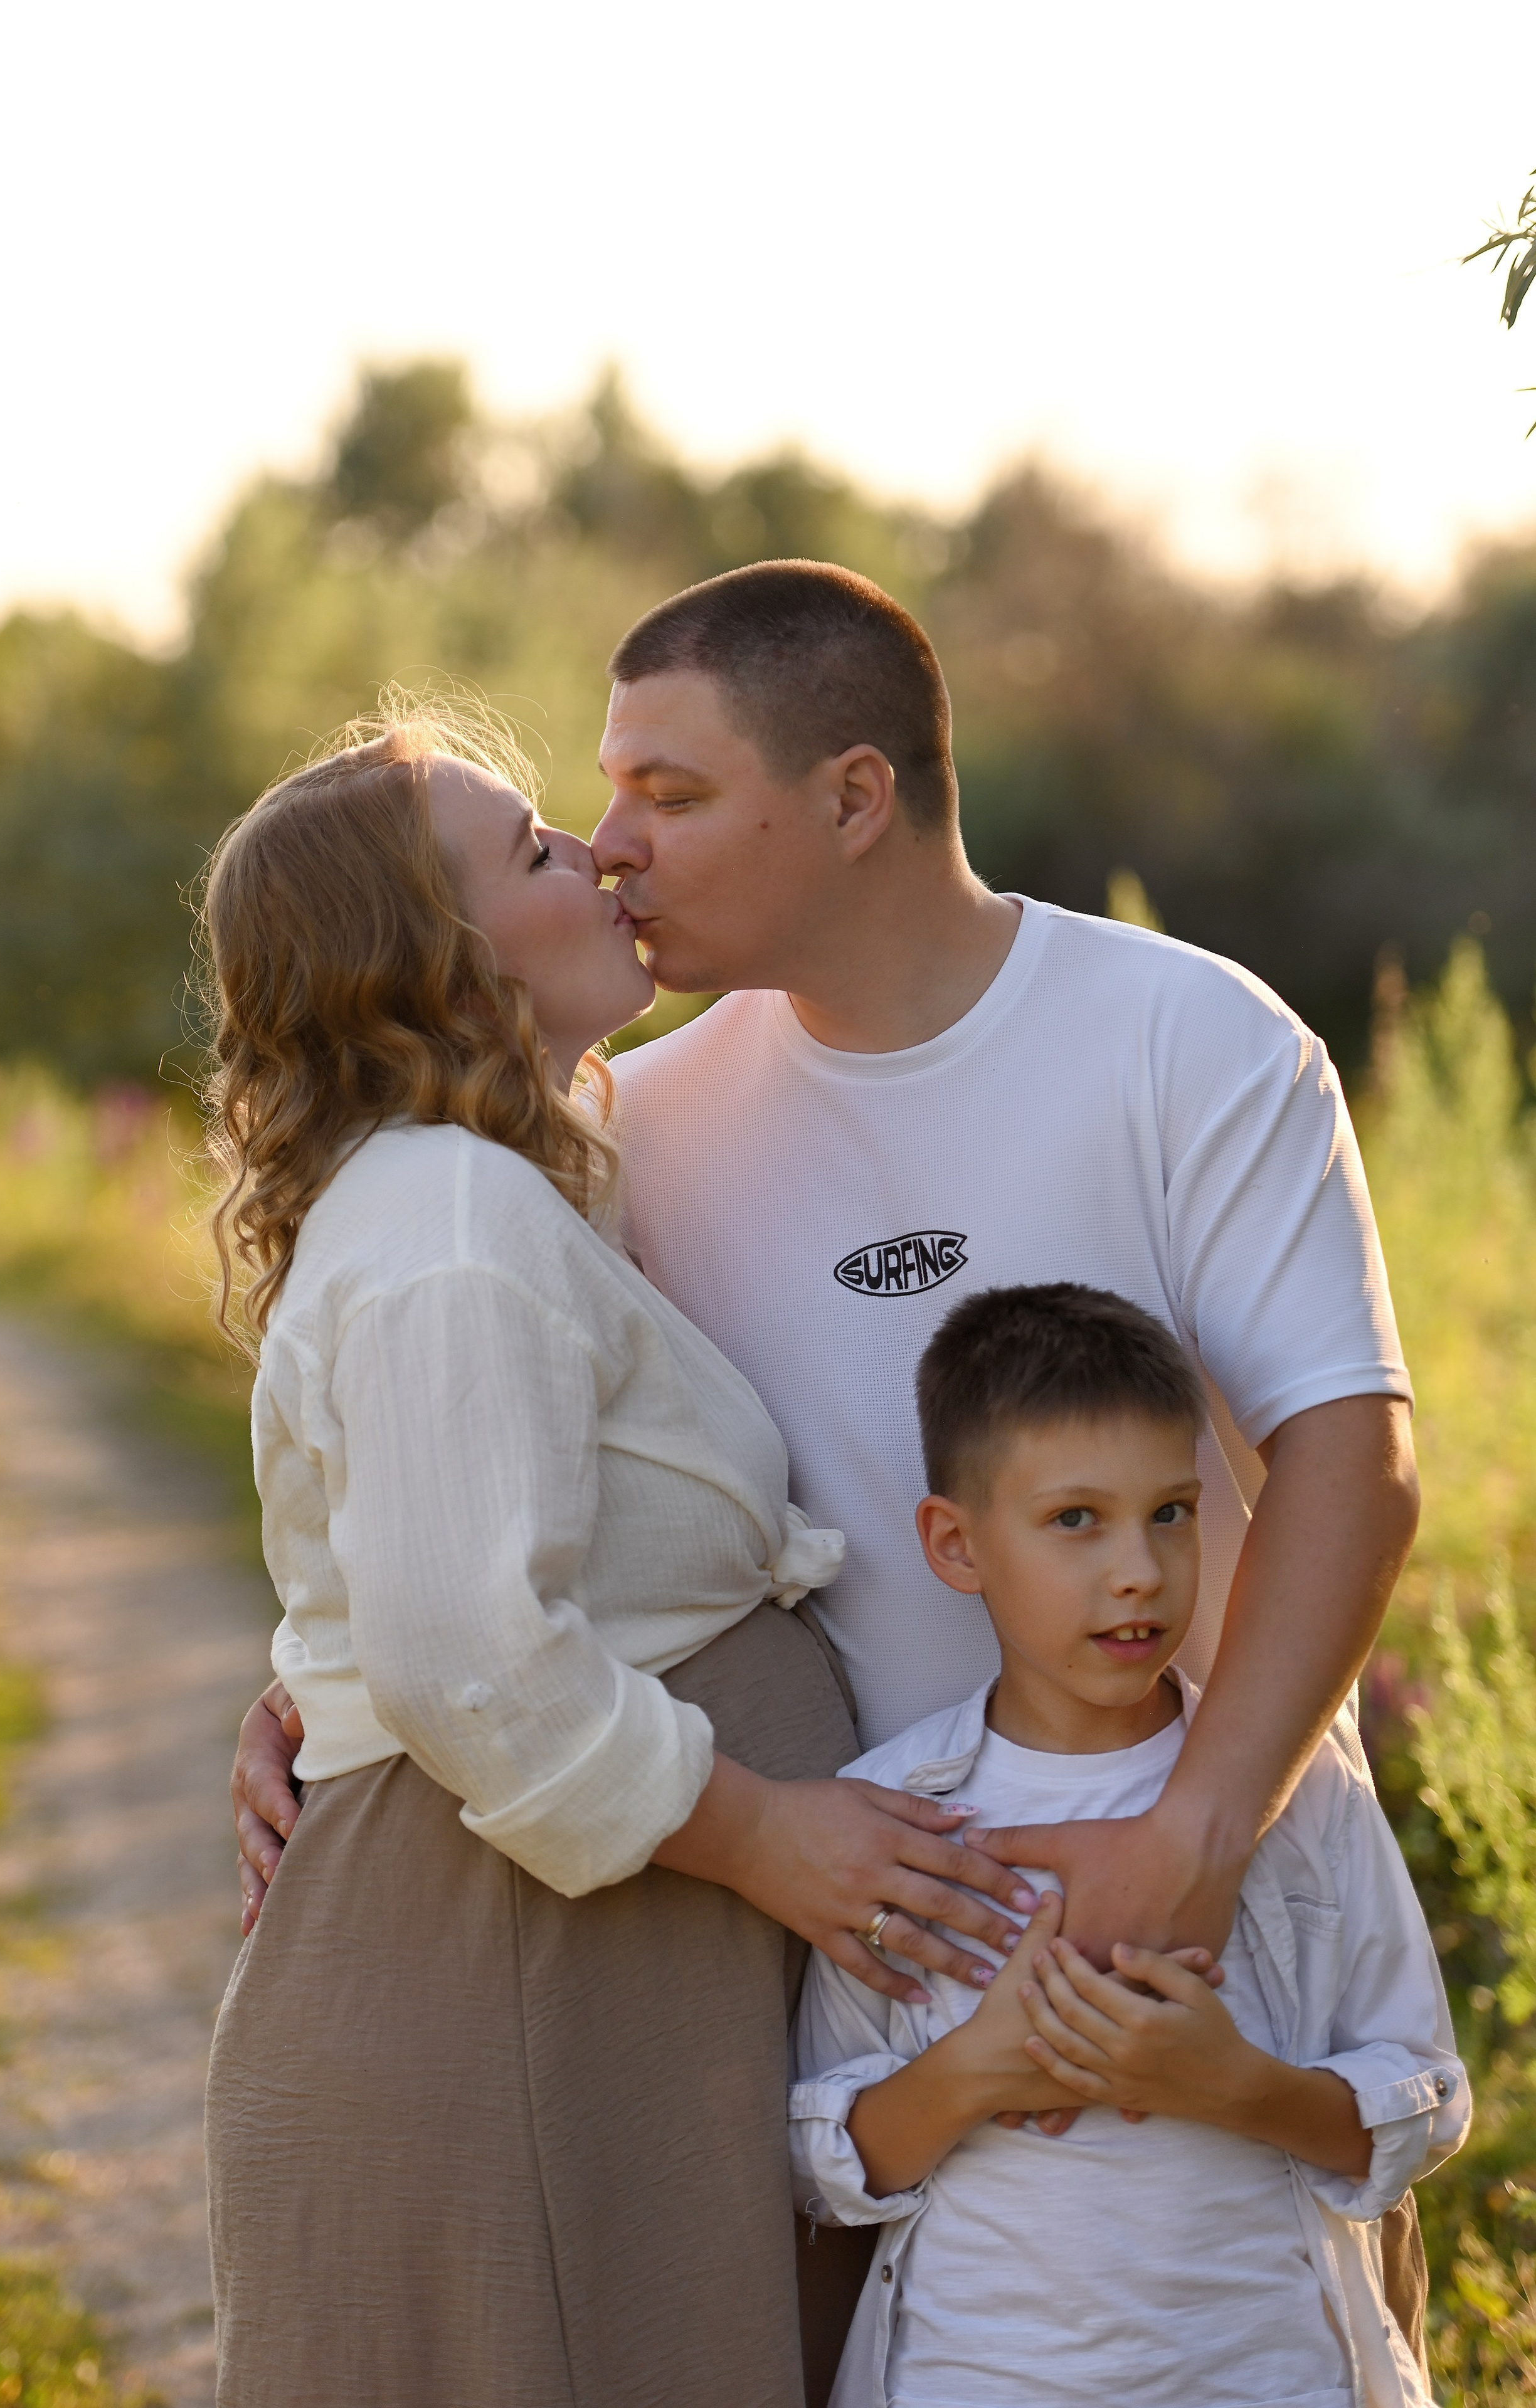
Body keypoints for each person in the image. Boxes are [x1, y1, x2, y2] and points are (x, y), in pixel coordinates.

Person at [231, 564, 1424, 2388]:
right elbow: (483, 1477)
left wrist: (1199, 1840)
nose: (616, 844)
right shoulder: (638, 1126)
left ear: (858, 797)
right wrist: (320, 1682)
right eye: (595, 805)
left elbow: (1358, 1457)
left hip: (1191, 1944)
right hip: (847, 2023)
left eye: (673, 796)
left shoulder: (1189, 1041)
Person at [199, 697, 1042, 2408]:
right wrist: (773, 1839)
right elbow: (460, 1654)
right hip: (512, 1961)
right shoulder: (447, 1216)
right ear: (432, 957)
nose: (596, 854)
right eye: (531, 850)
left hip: (570, 1953)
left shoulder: (505, 1188)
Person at [790, 1284, 1466, 2408]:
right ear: (956, 1545)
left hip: (1269, 2374)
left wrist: (1233, 2086)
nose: (1140, 1571)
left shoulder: (1298, 1795)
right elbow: (824, 2160)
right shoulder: (897, 1819)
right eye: (1075, 1521)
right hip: (978, 2379)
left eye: (1171, 1512)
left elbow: (1428, 2094)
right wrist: (976, 2070)